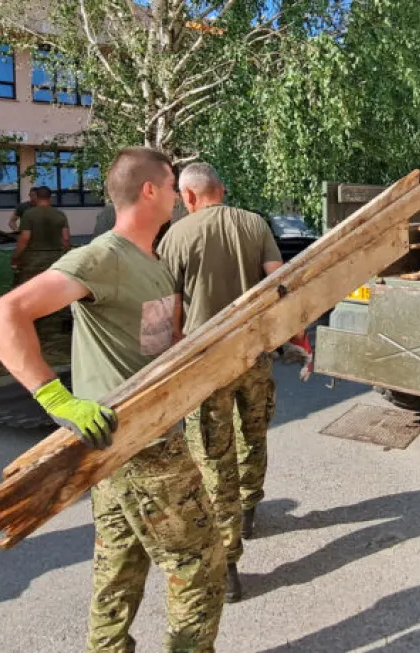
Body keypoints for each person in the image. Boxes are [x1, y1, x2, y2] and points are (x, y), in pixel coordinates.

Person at [0, 146, 224, 653]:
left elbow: (158, 343)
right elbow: (3, 316)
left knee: (119, 564)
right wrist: (57, 400)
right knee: (199, 567)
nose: (180, 198)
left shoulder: (152, 262)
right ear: (150, 190)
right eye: (172, 185)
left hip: (129, 445)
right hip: (139, 444)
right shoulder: (102, 257)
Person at [156, 162, 289, 602]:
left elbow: (167, 305)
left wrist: (164, 357)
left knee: (213, 454)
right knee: (254, 432)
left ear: (188, 197)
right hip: (253, 352)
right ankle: (250, 505)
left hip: (203, 362)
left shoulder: (176, 236)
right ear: (223, 188)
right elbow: (277, 278)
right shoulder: (255, 223)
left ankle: (228, 561)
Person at [12, 186, 72, 341]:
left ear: (36, 197)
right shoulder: (60, 214)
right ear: (50, 198)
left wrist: (17, 256)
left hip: (33, 258)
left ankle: (34, 322)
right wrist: (64, 253)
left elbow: (24, 238)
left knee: (31, 290)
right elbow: (65, 238)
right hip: (55, 257)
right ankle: (62, 321)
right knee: (57, 289)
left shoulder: (29, 214)